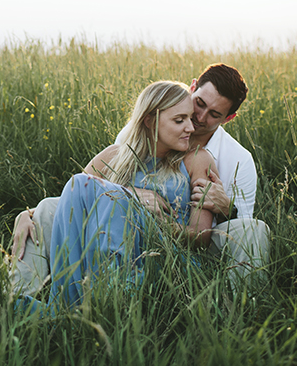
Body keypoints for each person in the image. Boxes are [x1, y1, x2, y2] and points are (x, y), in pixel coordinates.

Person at [9, 63, 270, 296]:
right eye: (198, 106)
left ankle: (241, 308)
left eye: (214, 114)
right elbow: (81, 193)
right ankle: (20, 298)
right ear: (192, 90)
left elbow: (233, 229)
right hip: (118, 229)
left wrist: (226, 207)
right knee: (45, 210)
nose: (198, 120)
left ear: (229, 118)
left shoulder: (232, 159)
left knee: (255, 230)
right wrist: (28, 212)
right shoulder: (128, 143)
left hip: (181, 240)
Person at [44, 80, 215, 306]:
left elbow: (202, 236)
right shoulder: (113, 156)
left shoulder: (196, 159)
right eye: (179, 120)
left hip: (164, 258)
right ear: (150, 121)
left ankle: (107, 299)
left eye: (190, 118)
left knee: (109, 197)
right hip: (100, 257)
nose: (191, 128)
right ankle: (70, 301)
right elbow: (72, 200)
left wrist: (162, 225)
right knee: (80, 183)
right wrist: (28, 215)